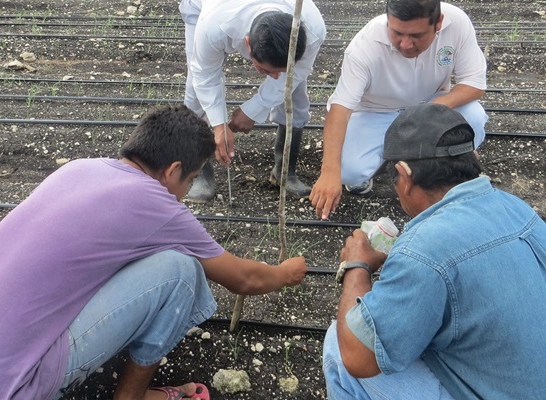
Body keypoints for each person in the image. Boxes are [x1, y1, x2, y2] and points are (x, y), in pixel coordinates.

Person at [0, 105, 307, 400]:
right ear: (173, 171)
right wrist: (287, 273)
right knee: (181, 270)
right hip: (7, 388)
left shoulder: (80, 169)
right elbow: (243, 278)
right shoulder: (155, 203)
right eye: (192, 178)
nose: (186, 191)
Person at [322, 103, 546, 399]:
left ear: (405, 174)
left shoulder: (424, 251)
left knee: (339, 346)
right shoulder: (518, 209)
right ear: (472, 158)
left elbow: (358, 357)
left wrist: (356, 267)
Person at [310, 0, 489, 220]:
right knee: (349, 172)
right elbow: (341, 108)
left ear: (439, 23)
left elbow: (474, 83)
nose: (405, 44)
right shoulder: (365, 47)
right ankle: (390, 166)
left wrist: (428, 112)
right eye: (397, 33)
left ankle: (450, 173)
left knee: (473, 116)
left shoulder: (457, 23)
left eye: (416, 36)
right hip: (376, 111)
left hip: (429, 101)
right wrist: (329, 172)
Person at [179, 0, 326, 201]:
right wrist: (219, 125)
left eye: (280, 71)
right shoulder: (213, 25)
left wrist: (254, 109)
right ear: (247, 43)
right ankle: (199, 173)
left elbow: (295, 76)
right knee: (194, 93)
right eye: (266, 70)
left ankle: (284, 171)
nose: (274, 77)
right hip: (203, 7)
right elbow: (204, 75)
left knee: (295, 95)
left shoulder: (313, 27)